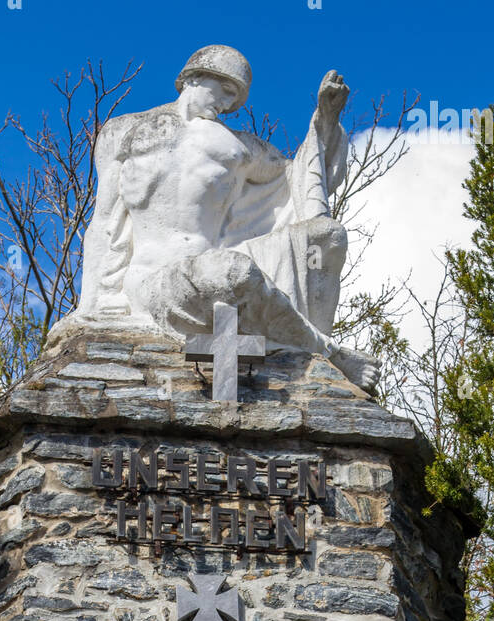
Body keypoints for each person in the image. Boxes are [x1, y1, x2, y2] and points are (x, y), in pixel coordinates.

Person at [55, 44, 379, 392]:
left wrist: (325, 120)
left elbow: (300, 177)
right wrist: (89, 307)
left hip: (216, 262)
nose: (226, 105)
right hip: (151, 284)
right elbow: (104, 222)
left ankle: (314, 353)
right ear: (194, 77)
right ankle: (330, 354)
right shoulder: (124, 132)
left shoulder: (237, 147)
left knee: (326, 235)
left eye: (235, 99)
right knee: (230, 271)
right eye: (225, 91)